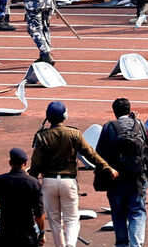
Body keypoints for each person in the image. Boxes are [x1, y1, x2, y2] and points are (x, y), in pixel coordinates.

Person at [30, 101, 116, 247]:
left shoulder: (42, 136)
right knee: (72, 219)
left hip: (48, 182)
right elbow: (91, 155)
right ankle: (70, 244)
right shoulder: (74, 133)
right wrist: (108, 168)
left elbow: (36, 163)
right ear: (64, 116)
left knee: (55, 220)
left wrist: (31, 181)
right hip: (68, 181)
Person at [95, 97, 148, 246]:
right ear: (129, 110)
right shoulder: (139, 124)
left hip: (116, 178)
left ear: (114, 112)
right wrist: (137, 120)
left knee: (118, 213)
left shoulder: (109, 127)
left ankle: (122, 244)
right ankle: (136, 244)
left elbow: (99, 151)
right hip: (138, 177)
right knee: (137, 211)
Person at [0, 147, 46, 246]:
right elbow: (39, 214)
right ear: (25, 164)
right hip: (26, 235)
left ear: (10, 162)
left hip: (6, 234)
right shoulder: (34, 183)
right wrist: (42, 233)